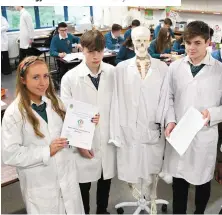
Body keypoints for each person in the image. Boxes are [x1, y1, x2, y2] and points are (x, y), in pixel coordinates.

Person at [1, 56, 85, 214]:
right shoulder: (14, 114)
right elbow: (10, 155)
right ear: (23, 80)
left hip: (67, 180)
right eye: (35, 77)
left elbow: (69, 134)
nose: (43, 83)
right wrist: (47, 151)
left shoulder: (55, 102)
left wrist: (87, 121)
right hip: (41, 187)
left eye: (46, 76)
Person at [163, 21, 222, 214]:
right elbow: (168, 97)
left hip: (204, 134)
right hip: (180, 133)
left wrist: (212, 114)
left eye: (197, 43)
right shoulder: (175, 68)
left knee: (202, 182)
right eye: (188, 43)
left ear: (208, 42)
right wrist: (170, 120)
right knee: (178, 182)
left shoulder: (219, 70)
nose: (191, 48)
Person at [60, 30, 116, 214]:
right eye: (91, 51)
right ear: (81, 49)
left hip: (106, 137)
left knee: (105, 178)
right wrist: (79, 144)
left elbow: (118, 106)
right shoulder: (70, 78)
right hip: (83, 141)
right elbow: (66, 115)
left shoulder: (112, 73)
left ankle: (102, 210)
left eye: (99, 51)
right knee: (83, 184)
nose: (96, 56)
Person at [109, 26, 169, 193]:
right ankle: (139, 198)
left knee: (151, 168)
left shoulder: (162, 68)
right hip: (130, 128)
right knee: (133, 167)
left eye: (144, 40)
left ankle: (149, 199)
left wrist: (163, 125)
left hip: (153, 127)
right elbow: (116, 101)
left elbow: (165, 100)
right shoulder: (121, 68)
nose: (141, 45)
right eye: (137, 41)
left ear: (150, 41)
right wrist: (116, 132)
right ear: (132, 42)